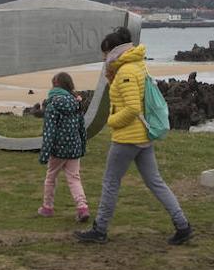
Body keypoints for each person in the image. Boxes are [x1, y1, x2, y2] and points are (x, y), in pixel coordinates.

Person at [75, 27, 193, 245]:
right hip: (143, 137)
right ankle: (182, 225)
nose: (103, 57)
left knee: (111, 182)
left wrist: (110, 121)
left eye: (105, 52)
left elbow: (130, 108)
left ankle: (100, 229)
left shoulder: (126, 72)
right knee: (156, 182)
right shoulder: (137, 66)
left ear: (113, 51)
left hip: (128, 138)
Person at [36, 71, 90, 222]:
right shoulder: (76, 104)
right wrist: (83, 147)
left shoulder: (52, 104)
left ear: (54, 85)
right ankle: (82, 207)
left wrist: (44, 153)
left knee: (51, 177)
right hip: (74, 148)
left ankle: (47, 207)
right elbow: (82, 129)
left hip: (58, 149)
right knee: (74, 178)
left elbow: (49, 131)